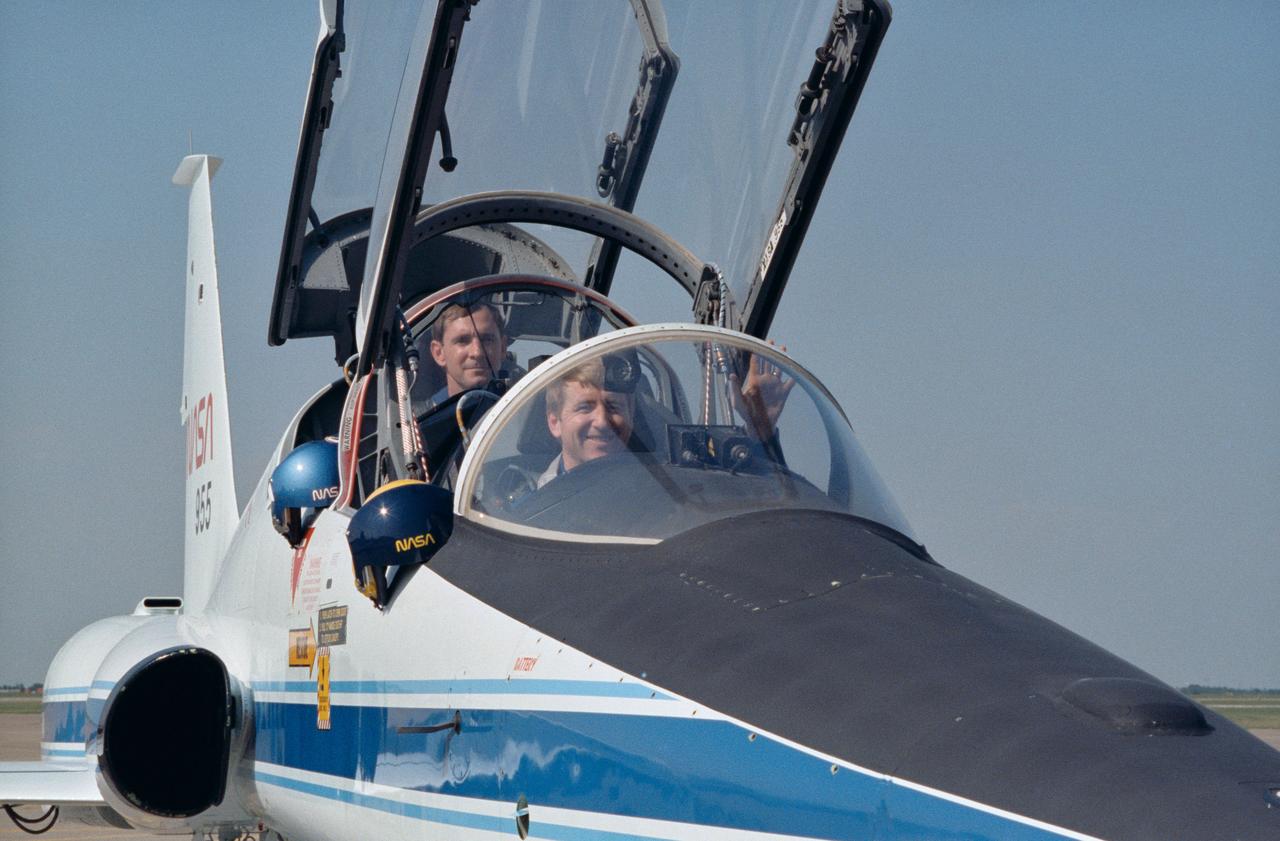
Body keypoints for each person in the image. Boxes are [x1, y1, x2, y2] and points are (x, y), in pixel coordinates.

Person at [538, 345, 795, 487]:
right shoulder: (524, 516)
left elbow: (760, 503)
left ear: (631, 415)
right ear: (554, 422)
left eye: (614, 407)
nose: (603, 422)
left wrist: (760, 430)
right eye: (585, 407)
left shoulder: (673, 489)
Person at [426, 301, 508, 405]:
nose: (477, 352)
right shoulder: (415, 419)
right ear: (439, 353)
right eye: (462, 341)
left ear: (503, 348)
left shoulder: (525, 413)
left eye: (487, 340)